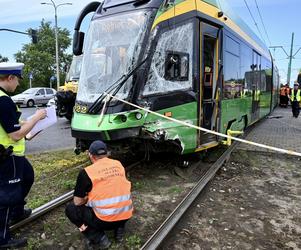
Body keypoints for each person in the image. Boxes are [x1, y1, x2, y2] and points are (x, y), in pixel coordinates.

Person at [0, 62, 47, 248]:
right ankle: (3, 239)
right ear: (9, 78)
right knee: (6, 196)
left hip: (12, 154)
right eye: (17, 80)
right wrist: (36, 118)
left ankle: (17, 211)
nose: (18, 84)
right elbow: (15, 134)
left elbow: (11, 124)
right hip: (7, 157)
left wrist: (29, 127)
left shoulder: (3, 99)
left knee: (27, 176)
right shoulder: (3, 100)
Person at [65, 140, 133, 249]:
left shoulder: (86, 172)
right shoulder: (118, 164)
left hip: (104, 221)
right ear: (106, 154)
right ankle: (119, 229)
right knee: (117, 200)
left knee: (71, 209)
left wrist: (88, 199)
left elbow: (77, 202)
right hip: (125, 215)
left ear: (91, 155)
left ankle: (98, 237)